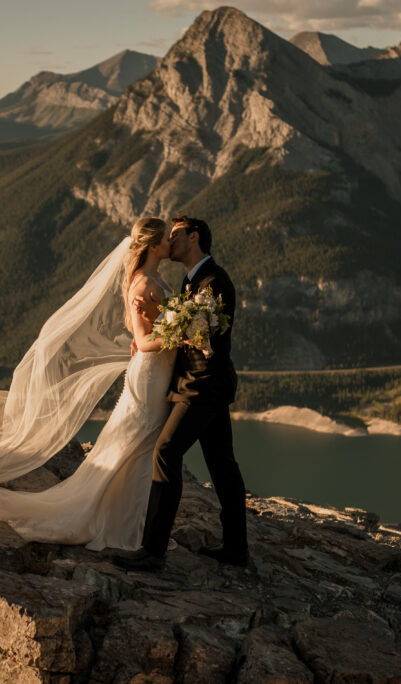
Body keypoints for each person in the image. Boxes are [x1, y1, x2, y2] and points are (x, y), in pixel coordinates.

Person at [0, 217, 177, 551]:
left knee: (140, 444)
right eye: (168, 238)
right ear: (154, 245)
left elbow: (141, 333)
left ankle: (133, 521)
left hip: (160, 371)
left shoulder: (156, 279)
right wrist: (180, 336)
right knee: (139, 442)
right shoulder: (143, 285)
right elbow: (142, 342)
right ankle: (127, 527)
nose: (172, 242)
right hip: (150, 372)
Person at [115, 215, 248, 570]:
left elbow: (203, 339)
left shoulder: (213, 281)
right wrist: (154, 319)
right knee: (222, 466)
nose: (169, 241)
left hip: (202, 386)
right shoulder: (192, 281)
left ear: (194, 237)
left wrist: (161, 319)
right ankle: (236, 549)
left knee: (166, 451)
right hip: (199, 385)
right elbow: (182, 327)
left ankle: (153, 551)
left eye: (175, 235)